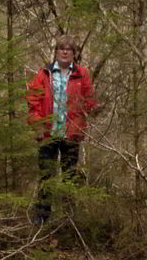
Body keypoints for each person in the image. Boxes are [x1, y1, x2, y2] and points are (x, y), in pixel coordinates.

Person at [26, 35, 98, 224]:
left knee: (69, 175)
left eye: (69, 49)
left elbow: (88, 101)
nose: (65, 52)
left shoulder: (82, 74)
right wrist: (38, 126)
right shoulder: (44, 74)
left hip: (71, 134)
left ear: (74, 54)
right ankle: (42, 218)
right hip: (48, 134)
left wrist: (93, 110)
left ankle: (68, 218)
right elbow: (33, 101)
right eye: (61, 48)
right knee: (46, 176)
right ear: (56, 52)